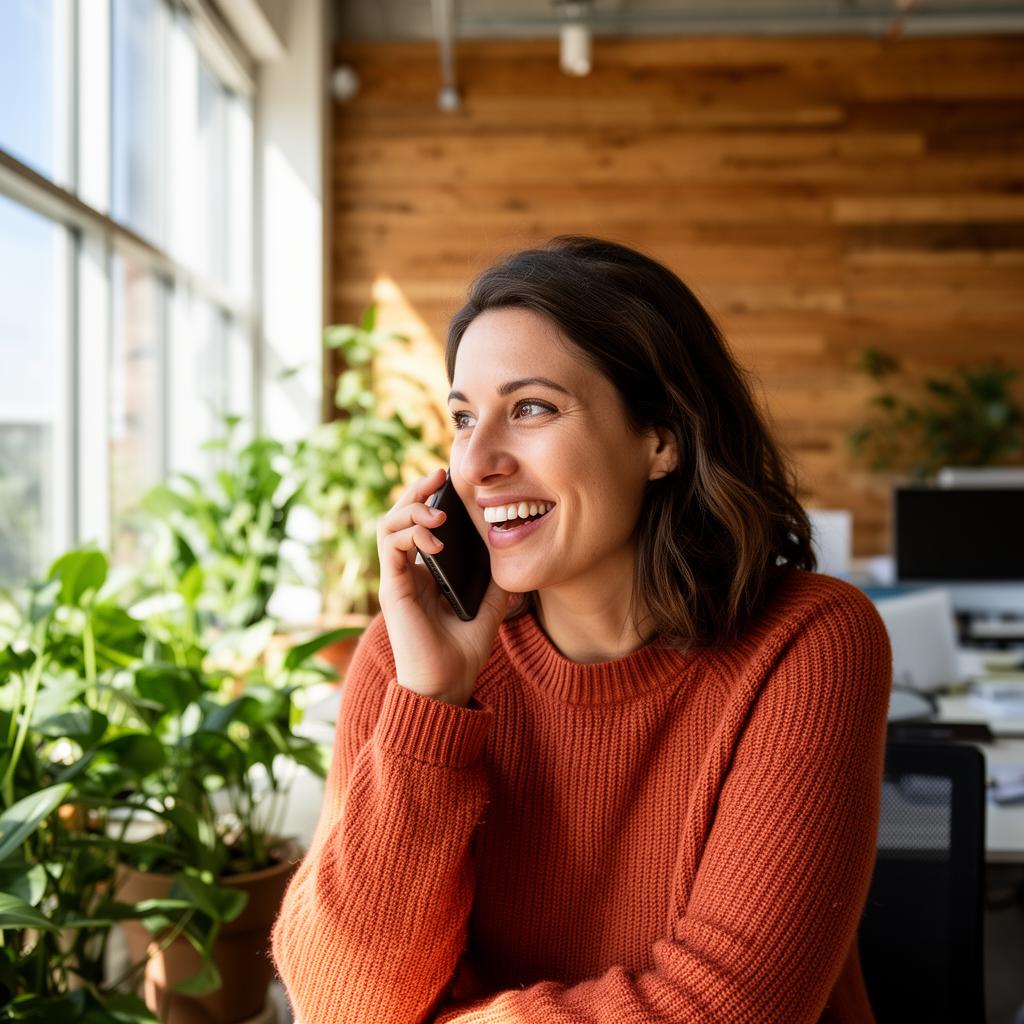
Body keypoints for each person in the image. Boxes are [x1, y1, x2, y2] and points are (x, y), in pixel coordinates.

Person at [271, 236, 892, 1023]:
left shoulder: (809, 641)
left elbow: (729, 1009)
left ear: (660, 438)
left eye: (530, 408)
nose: (479, 461)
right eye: (464, 418)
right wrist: (432, 703)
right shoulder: (407, 658)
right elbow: (338, 1002)